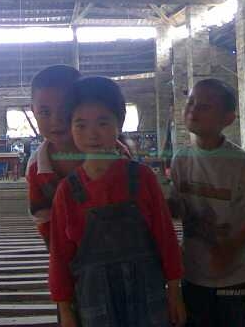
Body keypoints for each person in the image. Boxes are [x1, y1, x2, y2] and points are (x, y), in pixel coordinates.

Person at [48, 76, 186, 327]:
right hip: (94, 303)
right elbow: (60, 257)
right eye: (81, 125)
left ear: (119, 123)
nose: (92, 134)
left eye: (103, 123)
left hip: (148, 297)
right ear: (70, 128)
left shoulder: (142, 178)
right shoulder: (67, 192)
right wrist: (65, 309)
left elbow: (165, 236)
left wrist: (175, 290)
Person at [169, 78, 245, 327]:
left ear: (227, 118)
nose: (193, 109)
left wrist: (230, 248)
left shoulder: (238, 161)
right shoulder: (181, 158)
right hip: (193, 272)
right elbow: (177, 206)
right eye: (191, 102)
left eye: (204, 106)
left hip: (233, 277)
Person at [26, 65, 82, 247]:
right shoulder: (36, 167)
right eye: (45, 112)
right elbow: (44, 220)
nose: (56, 120)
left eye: (66, 109)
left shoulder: (111, 155)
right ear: (33, 111)